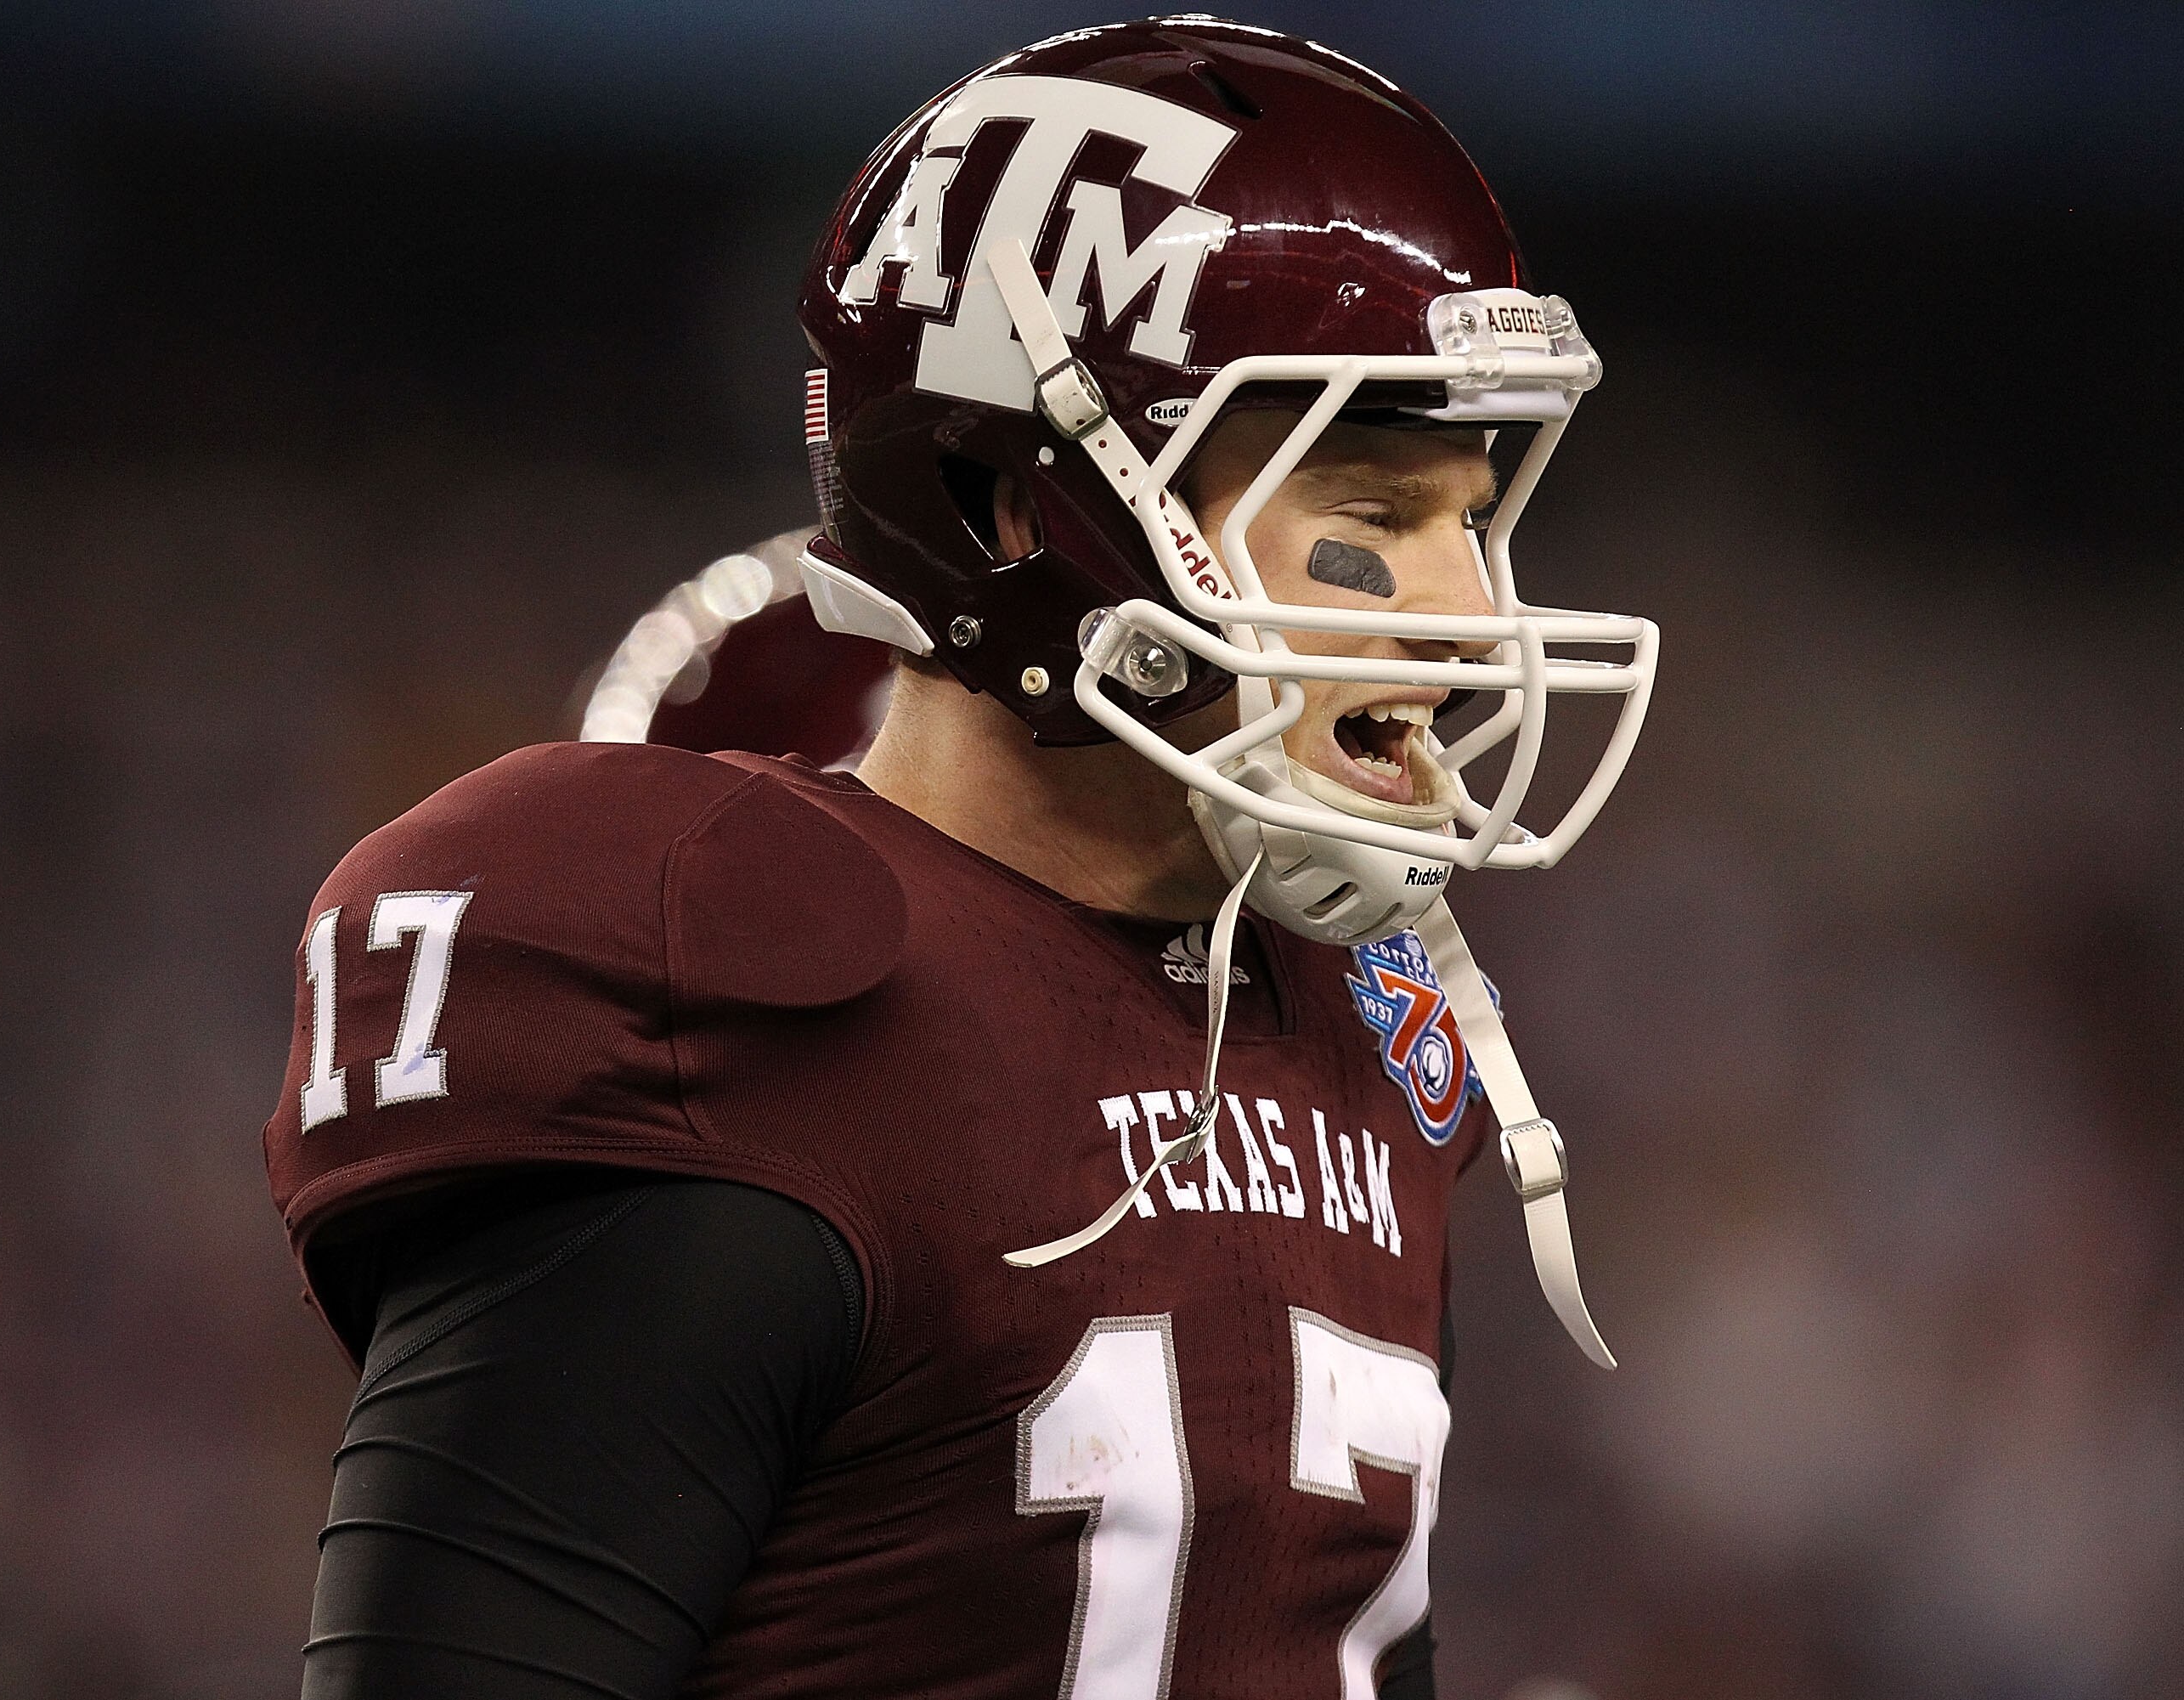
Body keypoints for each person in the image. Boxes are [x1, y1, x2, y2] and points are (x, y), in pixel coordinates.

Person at [263, 18, 1659, 1699]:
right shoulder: (745, 979)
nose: (1464, 622)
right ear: (1026, 506)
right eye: (1363, 528)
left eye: (1472, 522)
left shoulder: (1366, 1016)